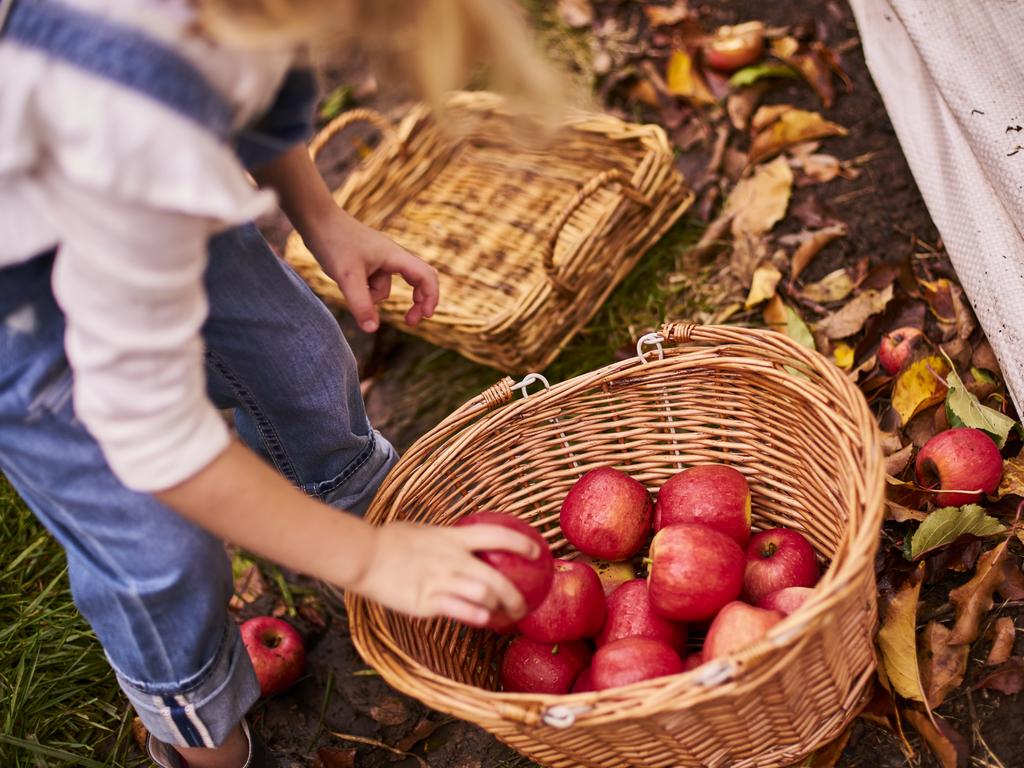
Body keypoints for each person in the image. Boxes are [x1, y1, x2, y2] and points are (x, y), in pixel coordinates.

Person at [0, 1, 558, 766]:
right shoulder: (134, 96)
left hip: (129, 176)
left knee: (298, 360)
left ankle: (373, 547)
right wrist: (369, 560)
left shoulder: (224, 39)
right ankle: (203, 737)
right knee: (156, 547)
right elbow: (151, 433)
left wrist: (320, 216)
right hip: (16, 298)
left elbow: (252, 64)